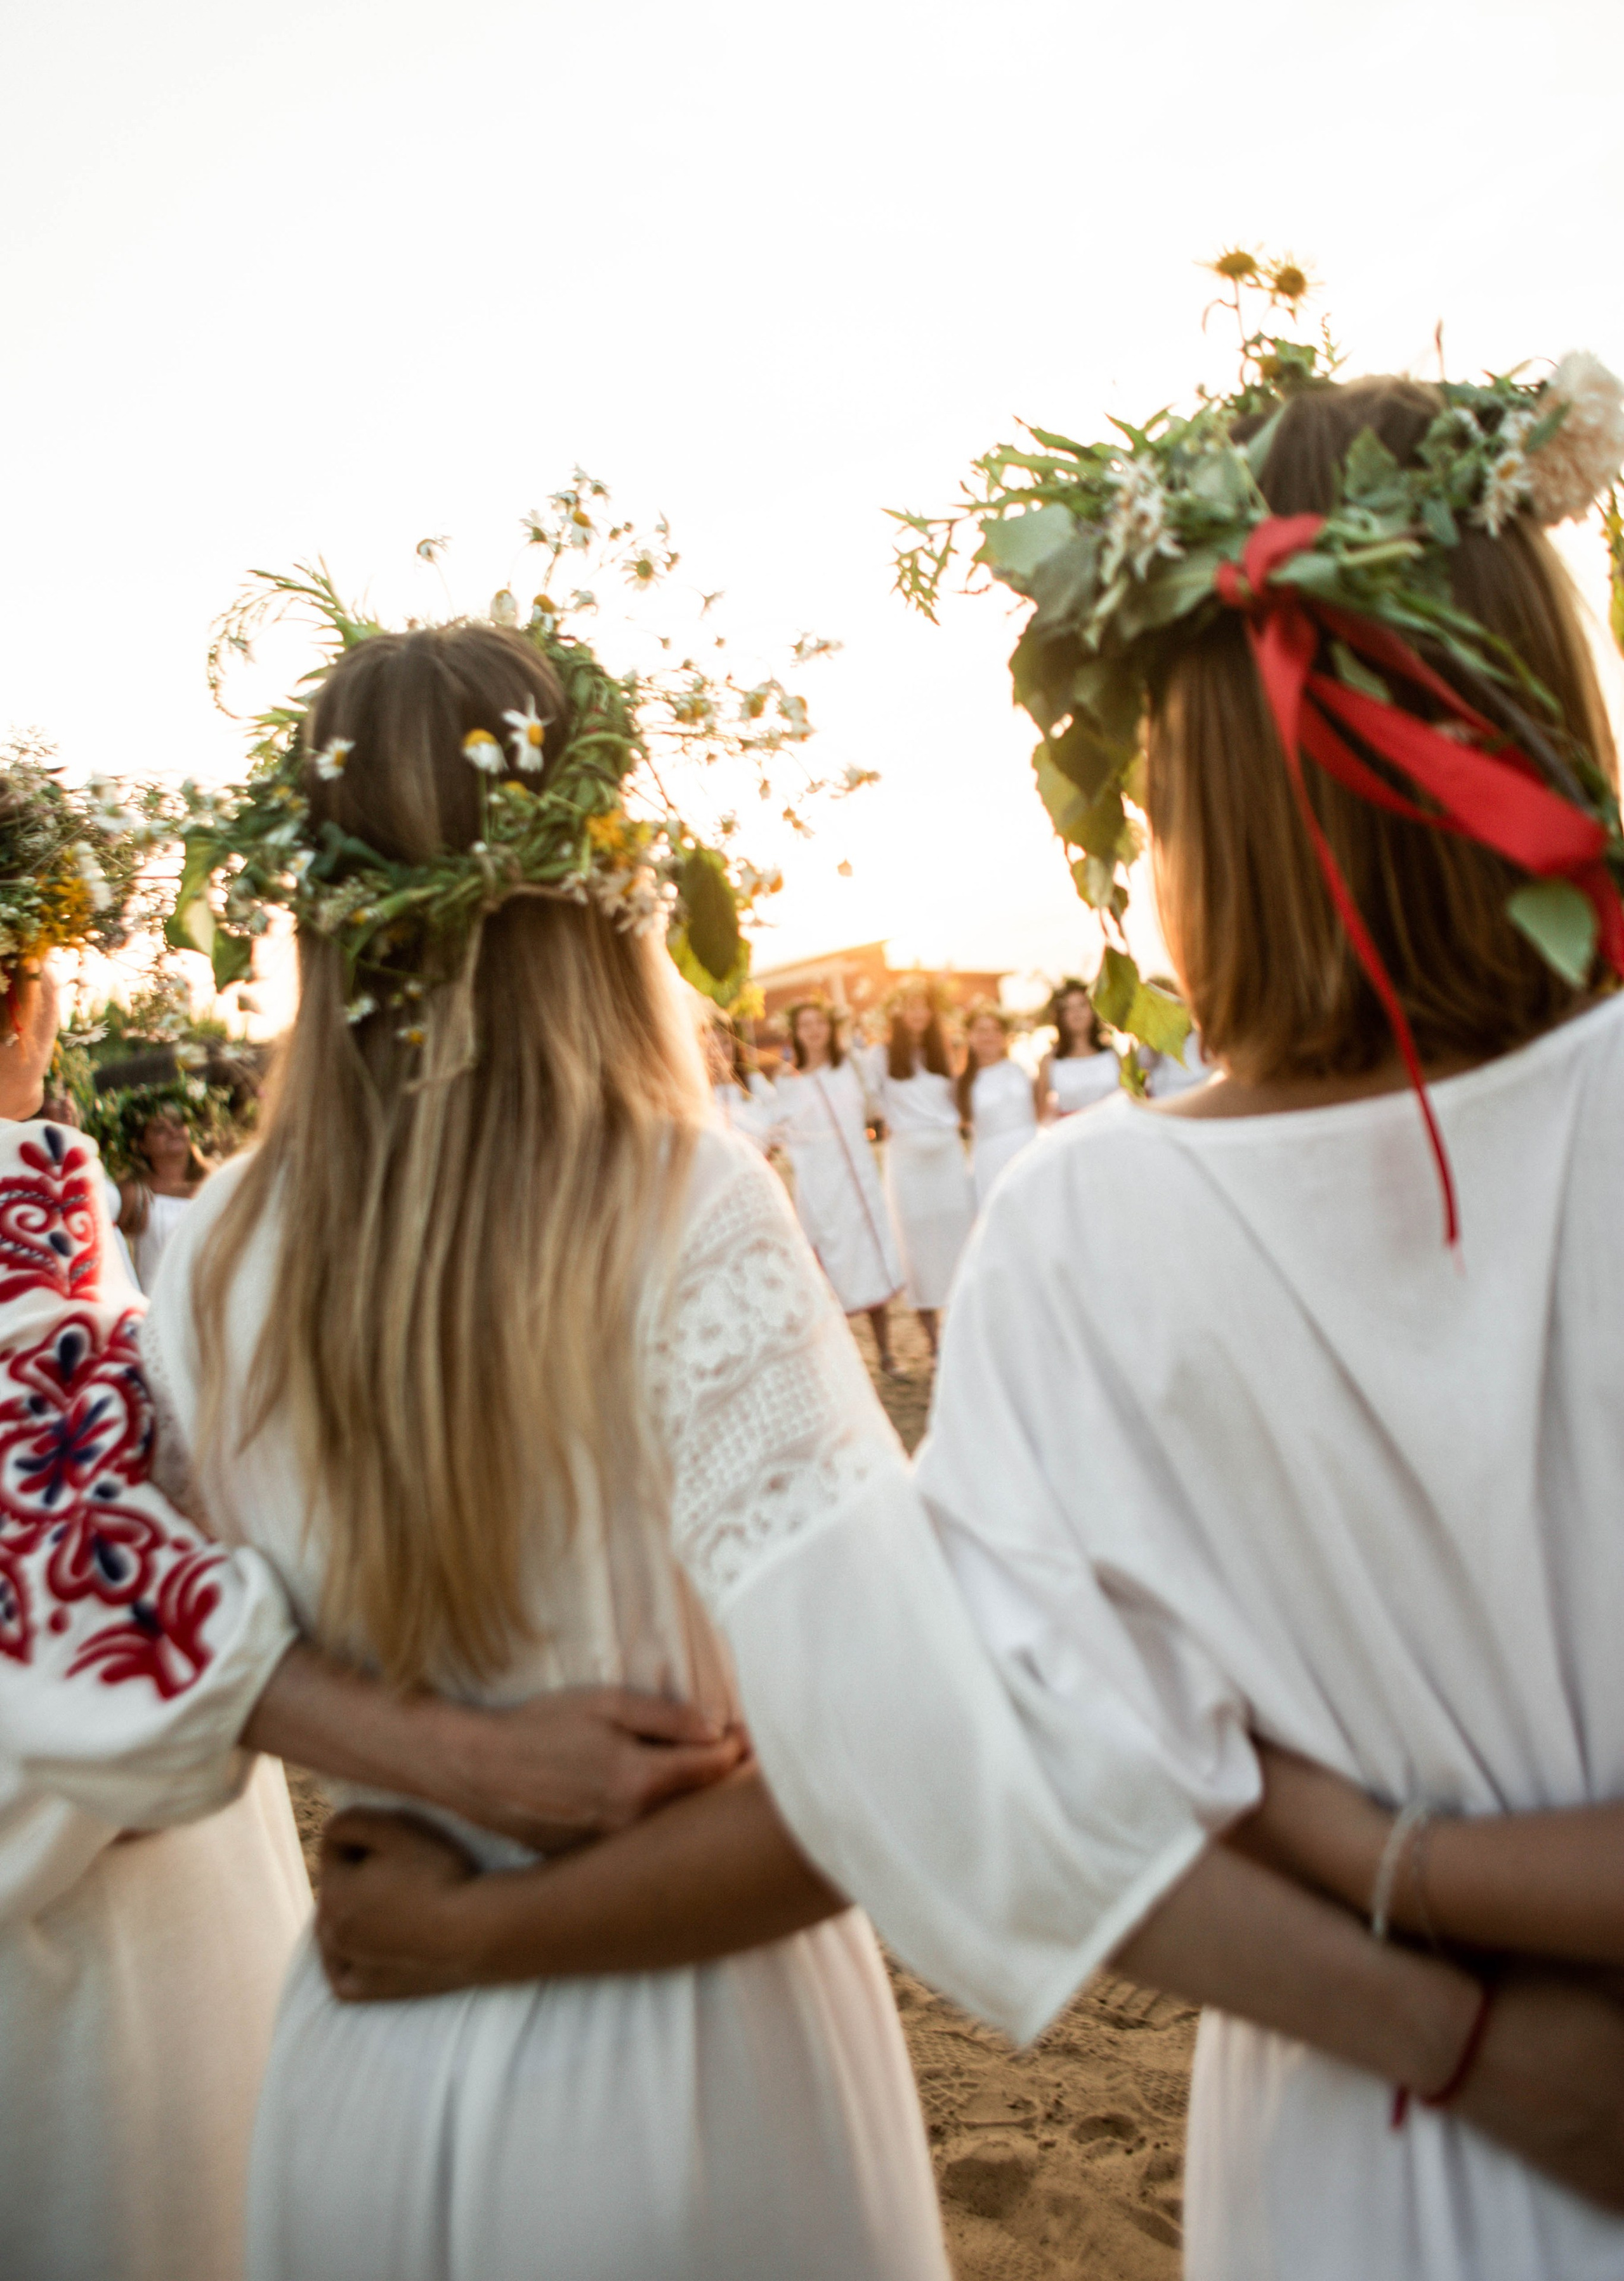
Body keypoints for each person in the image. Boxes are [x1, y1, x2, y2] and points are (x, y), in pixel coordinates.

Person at [317, 348, 1624, 2271]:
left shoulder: (1095, 1222)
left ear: (1197, 798)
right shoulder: (1071, 1214)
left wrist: (1378, 1864)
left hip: (1384, 2145)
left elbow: (999, 1786)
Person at [146, 622, 948, 2281]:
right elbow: (891, 1772)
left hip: (357, 2074)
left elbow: (157, 1640)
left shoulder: (214, 1248)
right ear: (600, 883)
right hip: (686, 2072)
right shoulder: (682, 1204)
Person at [0, 951, 738, 2281]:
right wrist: (469, 1757)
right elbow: (60, 1535)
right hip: (78, 1928)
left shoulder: (153, 1214)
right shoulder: (37, 1187)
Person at [757, 997, 903, 1373]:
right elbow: (775, 1130)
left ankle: (887, 1354)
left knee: (868, 1259)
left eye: (820, 1023)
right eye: (806, 1025)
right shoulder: (787, 1084)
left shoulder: (853, 1068)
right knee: (831, 1271)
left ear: (830, 1027)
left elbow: (879, 1105)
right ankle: (845, 1362)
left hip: (858, 1182)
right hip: (820, 1190)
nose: (814, 1031)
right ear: (796, 1033)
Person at [855, 980, 972, 1356]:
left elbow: (959, 1097)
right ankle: (935, 1343)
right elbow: (867, 1099)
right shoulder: (881, 1056)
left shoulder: (945, 1050)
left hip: (947, 1156)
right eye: (910, 1006)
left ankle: (961, 1332)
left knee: (957, 1239)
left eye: (924, 1006)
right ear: (897, 1012)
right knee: (918, 1247)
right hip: (907, 1159)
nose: (917, 1013)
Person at [114, 1091, 211, 1292]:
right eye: (159, 1129)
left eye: (178, 1124)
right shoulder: (134, 1194)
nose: (173, 1132)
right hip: (158, 1310)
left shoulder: (214, 1182)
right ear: (142, 1146)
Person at [957, 1005, 1036, 1208]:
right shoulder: (963, 1083)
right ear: (970, 1036)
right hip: (991, 1159)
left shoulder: (1021, 1069)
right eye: (982, 1030)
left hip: (1029, 1148)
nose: (990, 1036)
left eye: (995, 1030)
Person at [1035, 979, 1120, 1121]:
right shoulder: (1050, 1061)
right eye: (1068, 1008)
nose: (1076, 1013)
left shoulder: (1112, 1055)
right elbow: (1041, 1114)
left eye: (1082, 1005)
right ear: (1061, 1016)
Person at [702, 1006, 772, 1148]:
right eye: (712, 1046)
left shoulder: (754, 1083)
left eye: (725, 1043)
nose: (720, 1052)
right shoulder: (700, 1095)